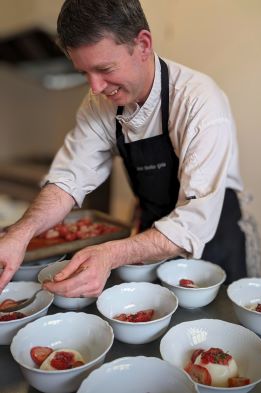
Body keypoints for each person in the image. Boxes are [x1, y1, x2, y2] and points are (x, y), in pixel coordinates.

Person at [0, 0, 247, 297]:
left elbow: (192, 225)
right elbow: (68, 180)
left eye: (105, 69)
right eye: (84, 73)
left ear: (143, 44)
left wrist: (110, 254)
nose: (95, 88)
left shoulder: (198, 101)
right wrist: (20, 233)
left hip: (213, 243)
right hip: (150, 240)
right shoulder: (100, 103)